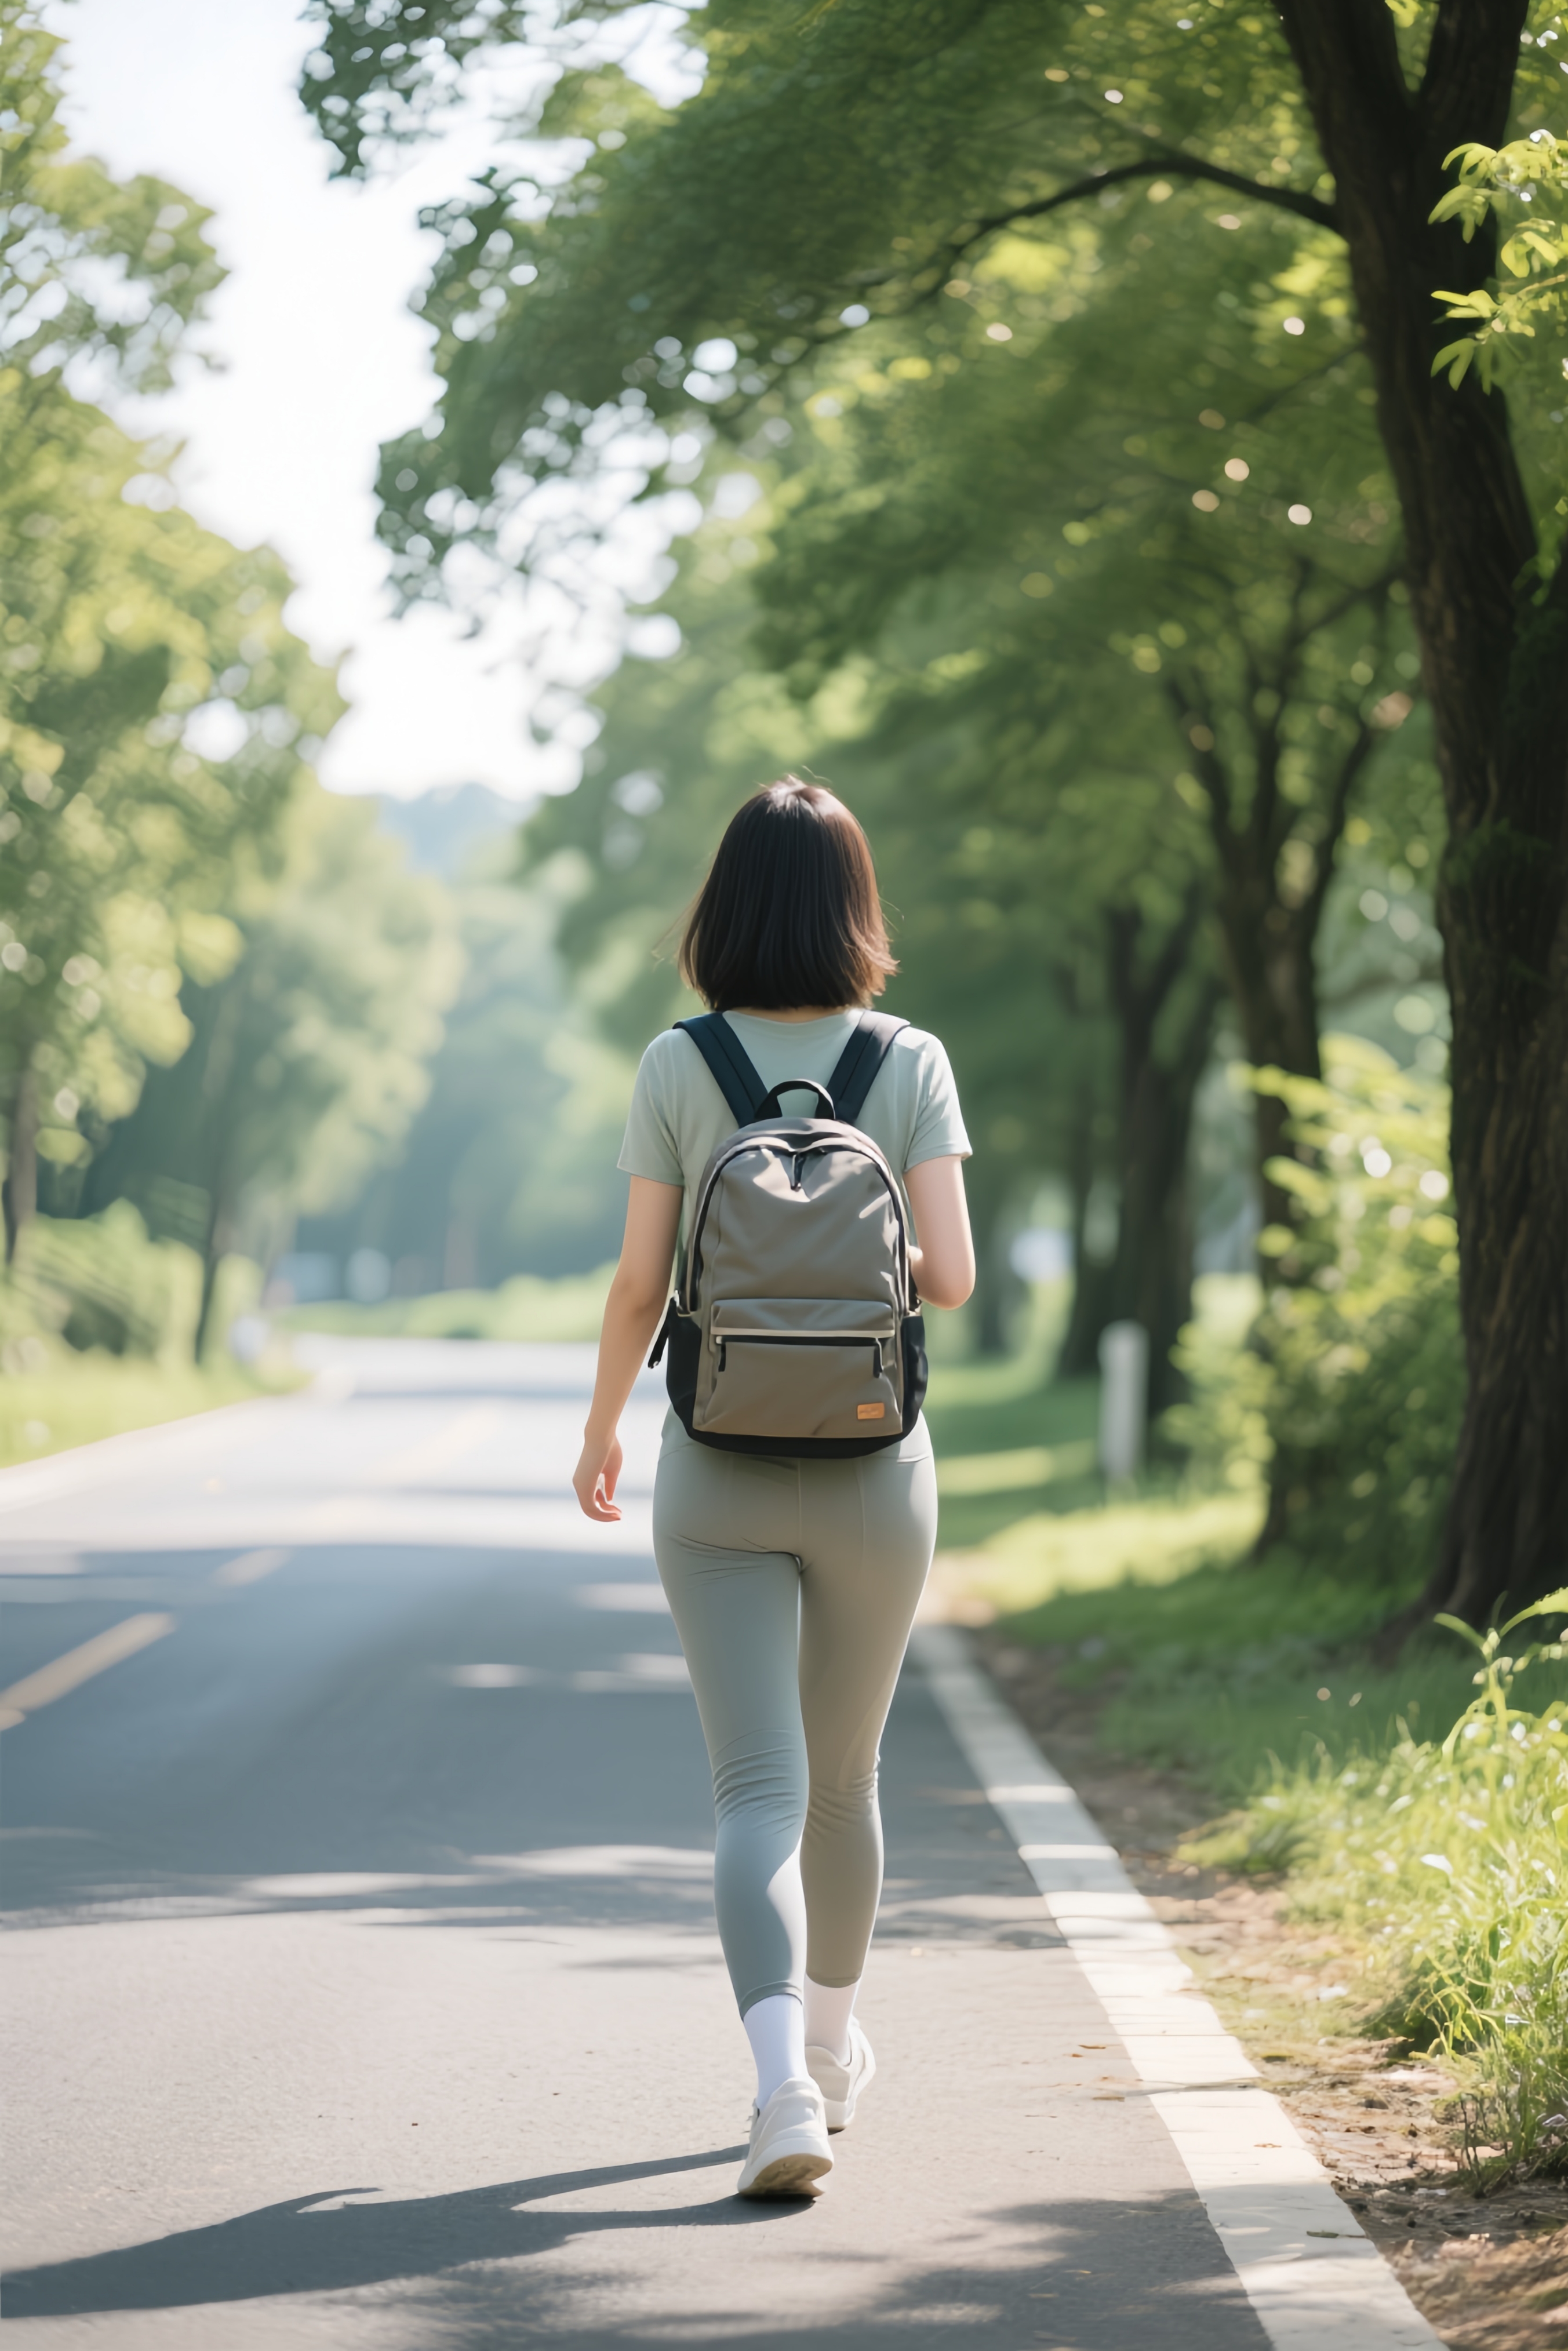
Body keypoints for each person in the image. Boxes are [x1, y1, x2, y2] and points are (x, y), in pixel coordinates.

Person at [572, 777, 975, 2198]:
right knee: (846, 1785)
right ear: (859, 909)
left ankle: (780, 2092)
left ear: (722, 908)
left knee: (755, 1791)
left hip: (718, 1464)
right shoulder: (910, 1058)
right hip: (878, 1462)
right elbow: (953, 1277)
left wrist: (603, 1430)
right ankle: (838, 2048)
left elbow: (639, 1285)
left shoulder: (678, 1064)